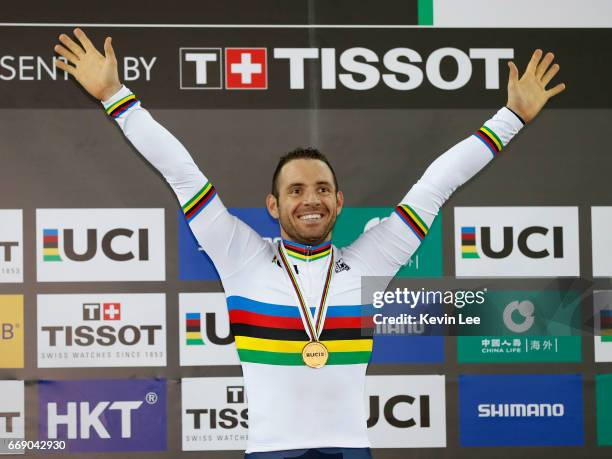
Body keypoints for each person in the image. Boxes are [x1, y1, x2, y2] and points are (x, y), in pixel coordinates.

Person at [53, 28, 565, 459]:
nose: (310, 199)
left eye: (322, 189)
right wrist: (115, 97)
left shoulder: (371, 261)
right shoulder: (241, 256)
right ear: (273, 206)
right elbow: (183, 176)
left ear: (339, 201)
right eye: (295, 190)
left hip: (350, 449)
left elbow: (435, 187)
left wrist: (511, 117)